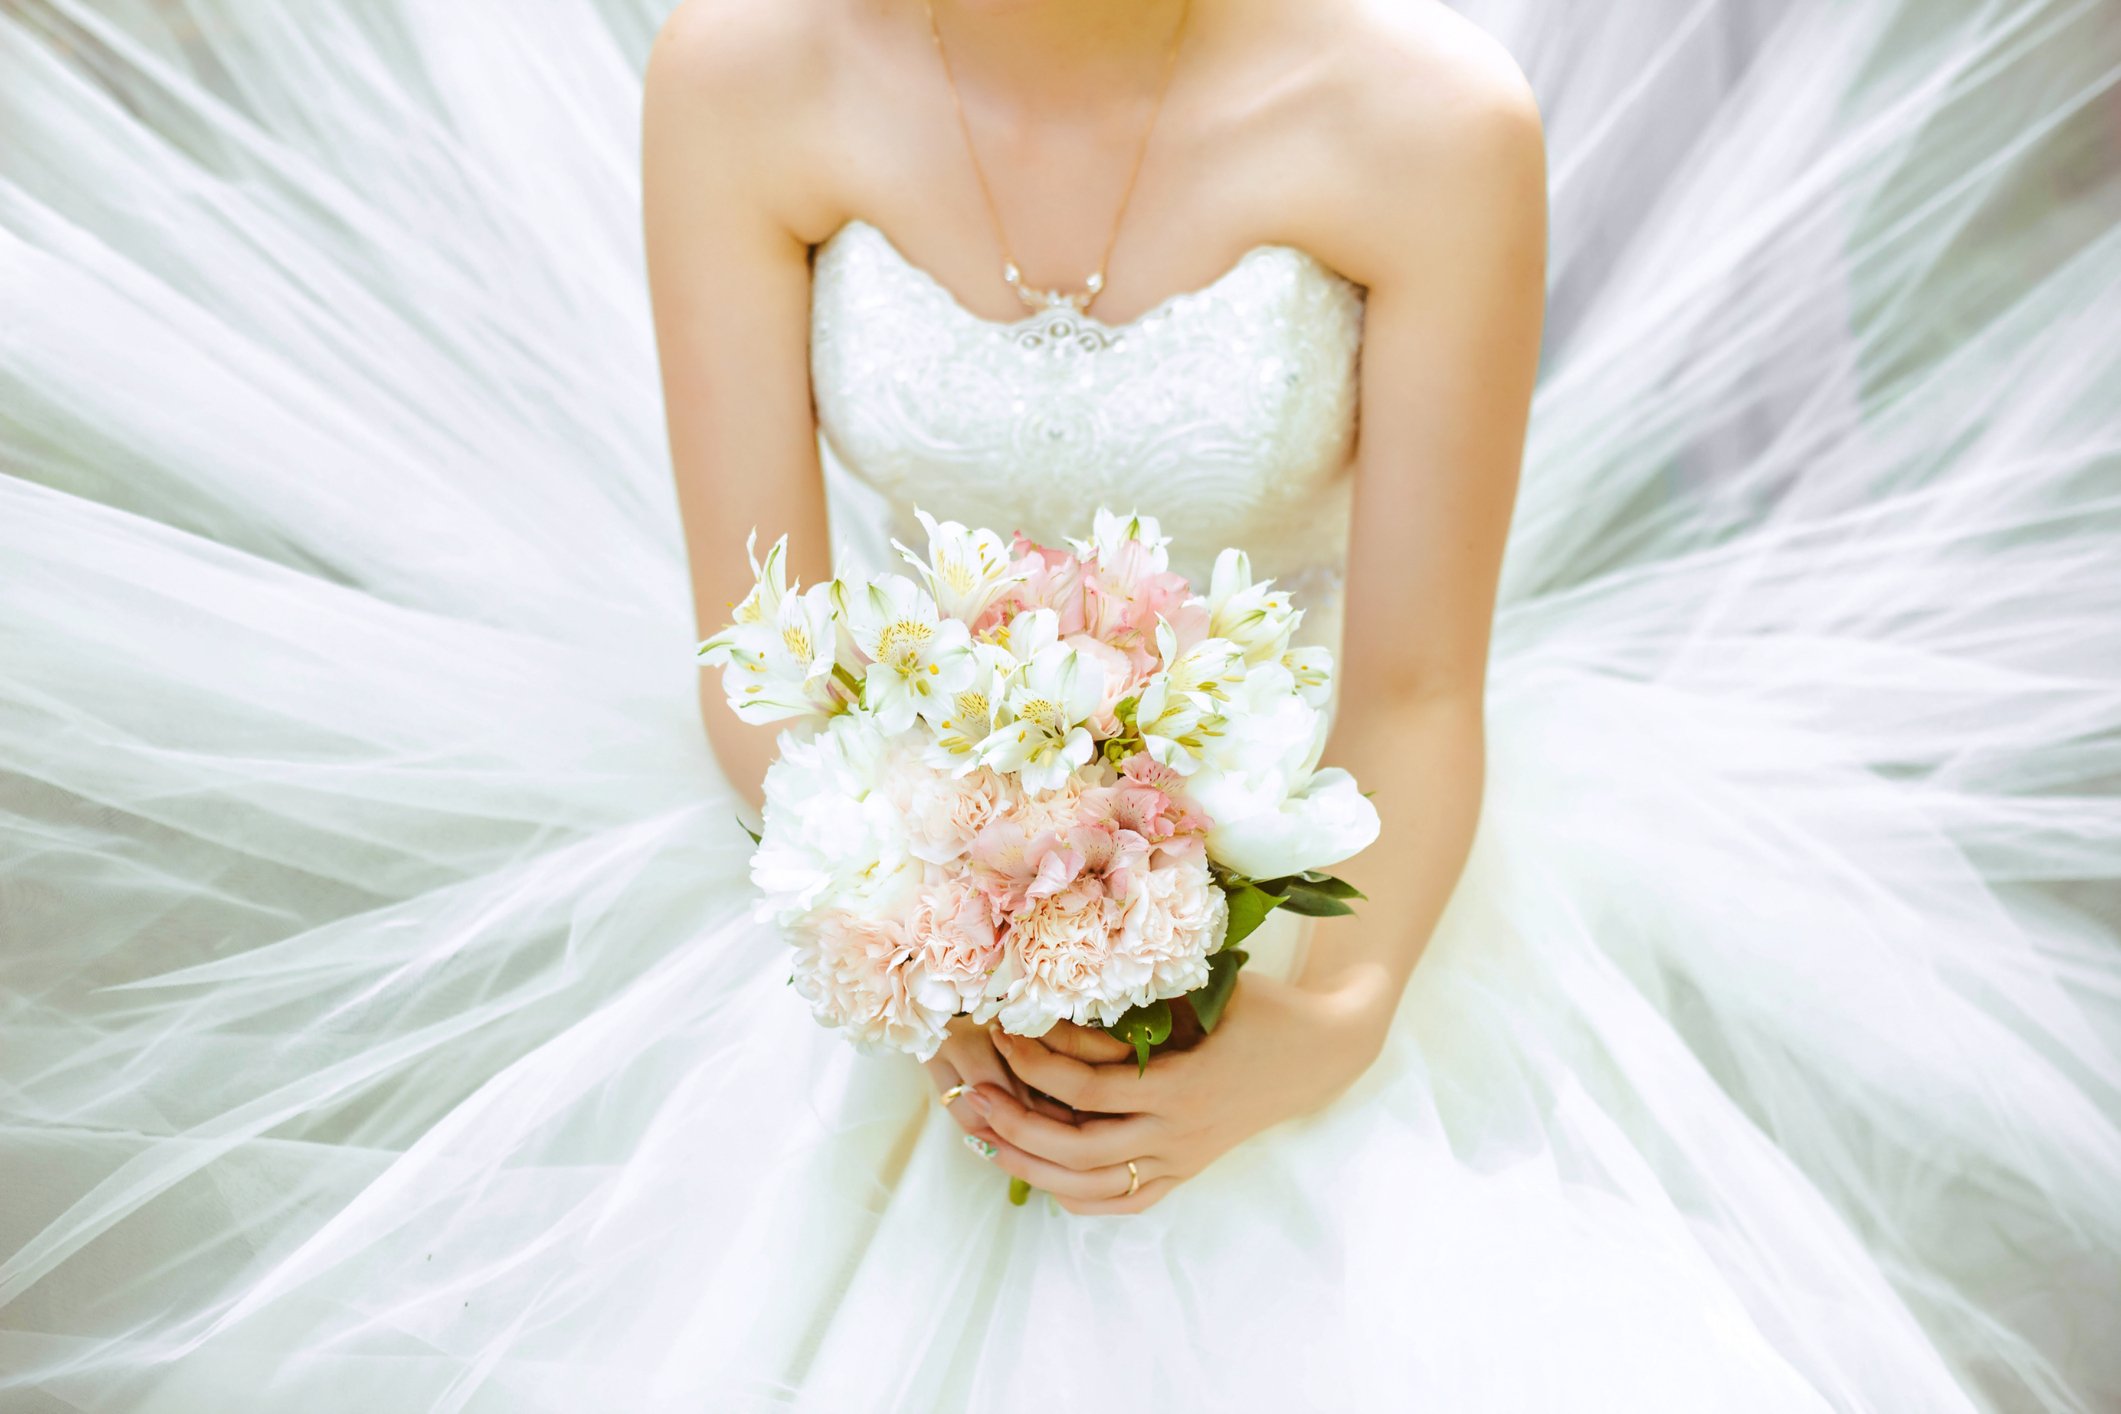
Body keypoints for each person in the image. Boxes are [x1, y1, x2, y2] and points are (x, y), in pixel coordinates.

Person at [1, 1, 2117, 1410]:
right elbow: (763, 647)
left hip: (1300, 872)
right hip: (885, 889)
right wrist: (924, 938)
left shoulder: (1426, 119)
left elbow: (1408, 684)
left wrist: (1302, 1023)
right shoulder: (746, 81)